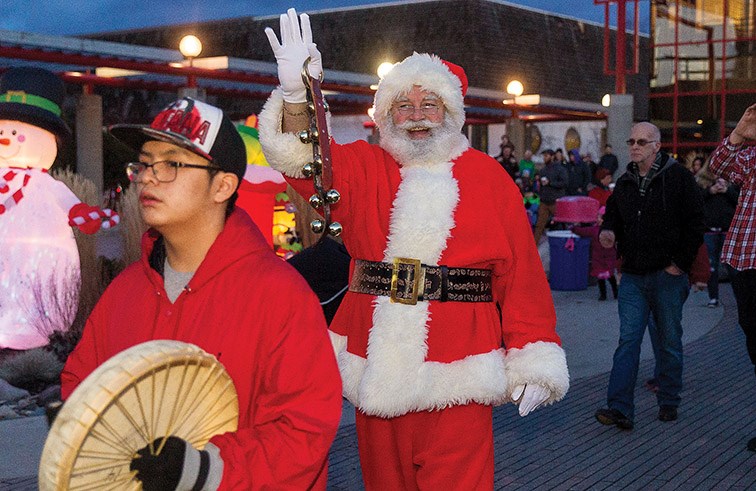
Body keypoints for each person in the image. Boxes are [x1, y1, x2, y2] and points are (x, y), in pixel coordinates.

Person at [260, 9, 569, 489]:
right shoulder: (363, 166)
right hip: (375, 362)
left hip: (460, 370)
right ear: (385, 115)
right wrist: (300, 96)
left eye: (431, 106)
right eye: (404, 105)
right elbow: (309, 165)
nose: (418, 117)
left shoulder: (489, 178)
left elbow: (521, 276)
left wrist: (532, 355)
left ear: (451, 113)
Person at [60, 97, 343, 490]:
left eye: (171, 164)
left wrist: (202, 469)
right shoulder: (125, 291)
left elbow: (303, 431)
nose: (147, 177)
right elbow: (81, 382)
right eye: (143, 163)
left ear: (223, 186)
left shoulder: (279, 295)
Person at [594, 122, 704, 430]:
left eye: (642, 141)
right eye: (631, 141)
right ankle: (619, 408)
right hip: (633, 275)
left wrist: (679, 265)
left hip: (667, 275)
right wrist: (608, 231)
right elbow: (613, 216)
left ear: (657, 145)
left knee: (668, 340)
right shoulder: (626, 180)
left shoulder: (679, 178)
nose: (634, 146)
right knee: (628, 340)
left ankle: (669, 399)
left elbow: (696, 224)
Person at [708, 103, 756, 452]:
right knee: (751, 333)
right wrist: (739, 134)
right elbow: (718, 168)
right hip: (745, 255)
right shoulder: (751, 153)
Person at [695, 166, 738, 308]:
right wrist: (710, 191)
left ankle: (737, 297)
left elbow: (740, 201)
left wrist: (727, 191)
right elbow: (696, 202)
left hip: (727, 230)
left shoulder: (733, 183)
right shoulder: (702, 183)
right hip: (710, 230)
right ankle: (713, 297)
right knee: (711, 266)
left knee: (732, 267)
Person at [533, 148, 568, 244]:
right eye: (543, 156)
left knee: (561, 222)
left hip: (555, 201)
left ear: (552, 156)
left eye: (546, 156)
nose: (544, 158)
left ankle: (565, 243)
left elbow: (564, 183)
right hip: (544, 200)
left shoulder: (560, 169)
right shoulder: (543, 170)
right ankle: (533, 246)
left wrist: (550, 183)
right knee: (539, 225)